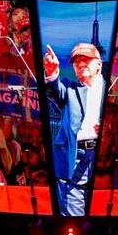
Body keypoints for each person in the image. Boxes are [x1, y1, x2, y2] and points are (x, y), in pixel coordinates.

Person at [42, 41, 105, 216]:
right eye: (77, 62)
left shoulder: (112, 88)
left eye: (86, 59)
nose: (81, 64)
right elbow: (55, 90)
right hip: (75, 155)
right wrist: (52, 72)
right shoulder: (70, 89)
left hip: (104, 160)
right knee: (73, 210)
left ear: (99, 64)